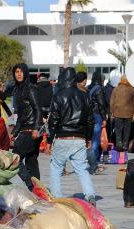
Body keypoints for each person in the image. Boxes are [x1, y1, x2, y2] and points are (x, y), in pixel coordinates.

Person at [47, 67, 96, 206]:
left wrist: (50, 140)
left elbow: (53, 120)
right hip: (79, 138)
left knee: (56, 168)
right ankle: (90, 195)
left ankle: (57, 197)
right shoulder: (85, 96)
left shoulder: (58, 95)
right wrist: (89, 138)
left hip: (62, 137)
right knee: (82, 169)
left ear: (63, 79)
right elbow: (90, 120)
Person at [11, 63, 42, 188]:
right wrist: (14, 133)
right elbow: (21, 116)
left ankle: (31, 185)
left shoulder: (30, 88)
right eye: (16, 72)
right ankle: (38, 190)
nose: (19, 74)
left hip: (31, 132)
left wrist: (36, 128)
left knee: (14, 159)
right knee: (31, 162)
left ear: (25, 73)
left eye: (21, 71)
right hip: (24, 130)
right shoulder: (17, 90)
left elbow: (38, 110)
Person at [87, 70, 108, 174]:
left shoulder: (88, 87)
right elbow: (101, 104)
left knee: (89, 140)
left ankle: (90, 161)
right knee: (95, 140)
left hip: (88, 116)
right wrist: (104, 118)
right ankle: (93, 163)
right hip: (96, 115)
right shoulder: (98, 88)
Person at [109, 75, 134, 152]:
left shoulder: (116, 89)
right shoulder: (132, 90)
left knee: (118, 130)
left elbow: (112, 102)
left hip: (117, 113)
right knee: (127, 130)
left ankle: (119, 145)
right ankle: (125, 145)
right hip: (129, 113)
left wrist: (111, 112)